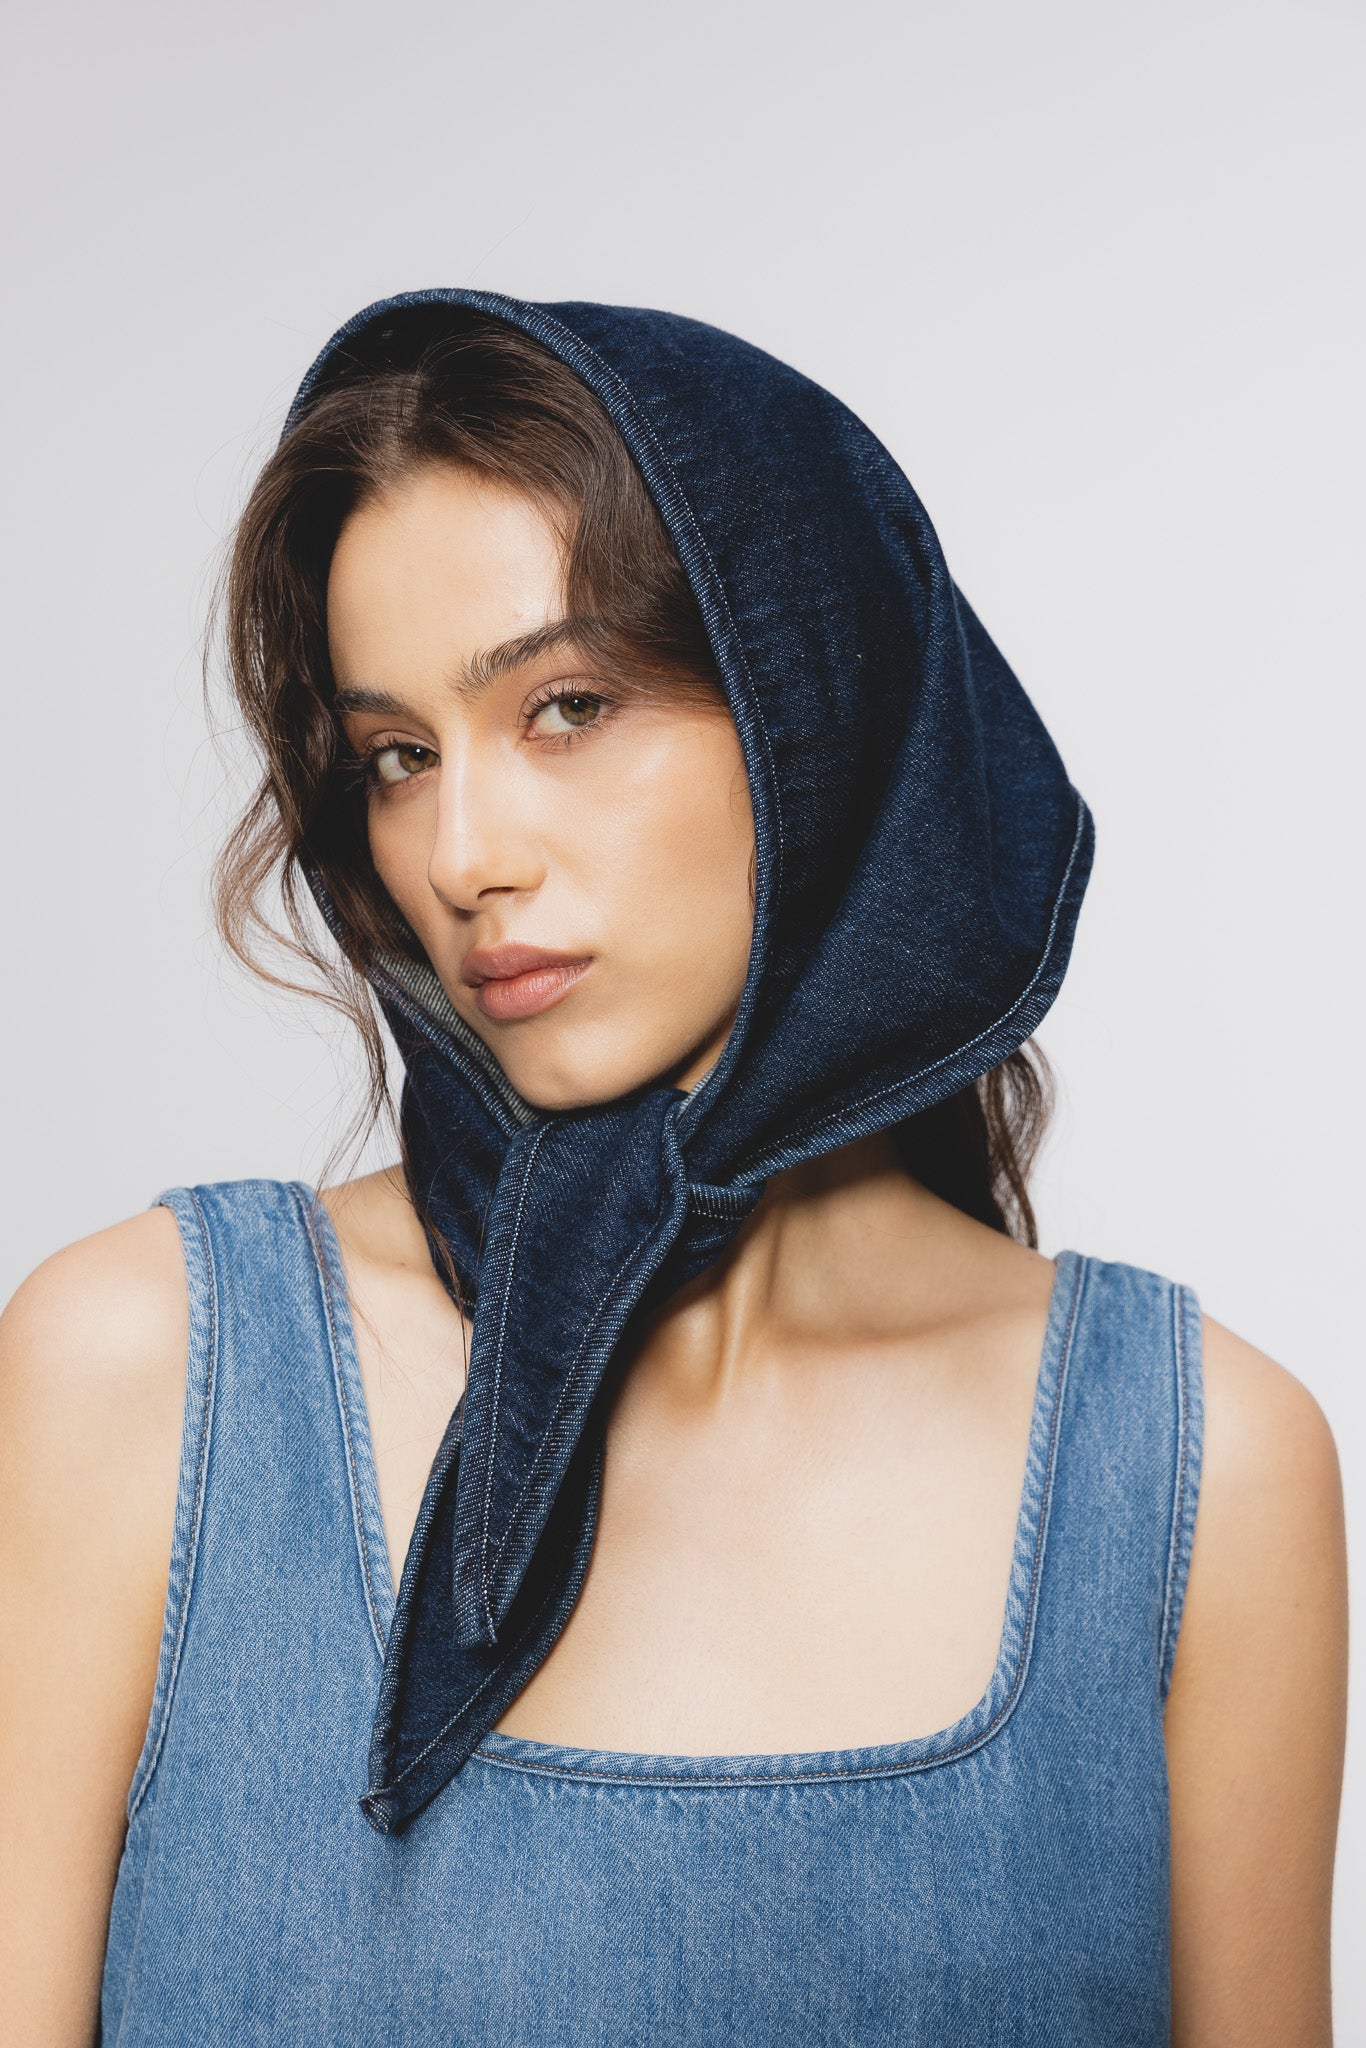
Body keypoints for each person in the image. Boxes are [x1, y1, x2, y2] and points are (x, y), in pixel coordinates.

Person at [0, 294, 1347, 2048]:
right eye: (397, 757)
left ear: (819, 713)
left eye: (566, 707)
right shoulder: (150, 1377)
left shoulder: (1188, 1472)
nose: (463, 854)